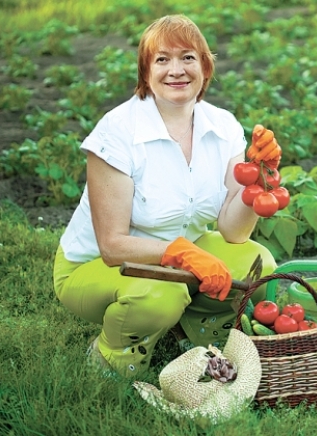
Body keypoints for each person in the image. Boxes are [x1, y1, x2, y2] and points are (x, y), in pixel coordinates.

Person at [52, 14, 280, 377]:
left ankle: (193, 333)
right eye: (162, 59)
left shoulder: (222, 126)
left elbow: (234, 231)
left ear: (205, 67)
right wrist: (182, 253)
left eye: (188, 57)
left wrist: (259, 183)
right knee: (162, 294)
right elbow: (112, 247)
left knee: (258, 264)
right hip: (96, 265)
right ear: (146, 73)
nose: (177, 70)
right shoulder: (118, 132)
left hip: (178, 252)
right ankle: (112, 357)